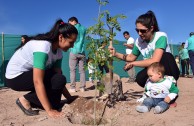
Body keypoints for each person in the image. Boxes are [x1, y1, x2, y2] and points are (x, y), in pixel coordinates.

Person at [5, 19, 78, 117]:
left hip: (29, 75)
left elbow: (58, 78)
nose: (72, 46)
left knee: (58, 84)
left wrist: (69, 98)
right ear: (61, 37)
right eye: (71, 42)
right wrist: (49, 110)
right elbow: (37, 81)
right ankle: (25, 99)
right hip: (15, 78)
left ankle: (40, 103)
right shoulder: (43, 47)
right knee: (51, 100)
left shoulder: (59, 53)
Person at [108, 10, 180, 88]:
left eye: (142, 30)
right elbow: (131, 57)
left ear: (151, 28)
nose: (139, 33)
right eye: (137, 30)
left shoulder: (160, 36)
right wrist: (116, 54)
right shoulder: (138, 41)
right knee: (140, 78)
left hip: (168, 70)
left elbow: (155, 61)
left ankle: (170, 88)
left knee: (166, 56)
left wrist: (133, 63)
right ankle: (155, 91)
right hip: (153, 71)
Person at [68, 16, 86, 92]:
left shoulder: (72, 29)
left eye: (70, 23)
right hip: (82, 52)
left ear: (74, 21)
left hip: (74, 50)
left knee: (72, 70)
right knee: (82, 71)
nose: (69, 25)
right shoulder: (84, 28)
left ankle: (72, 87)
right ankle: (82, 87)